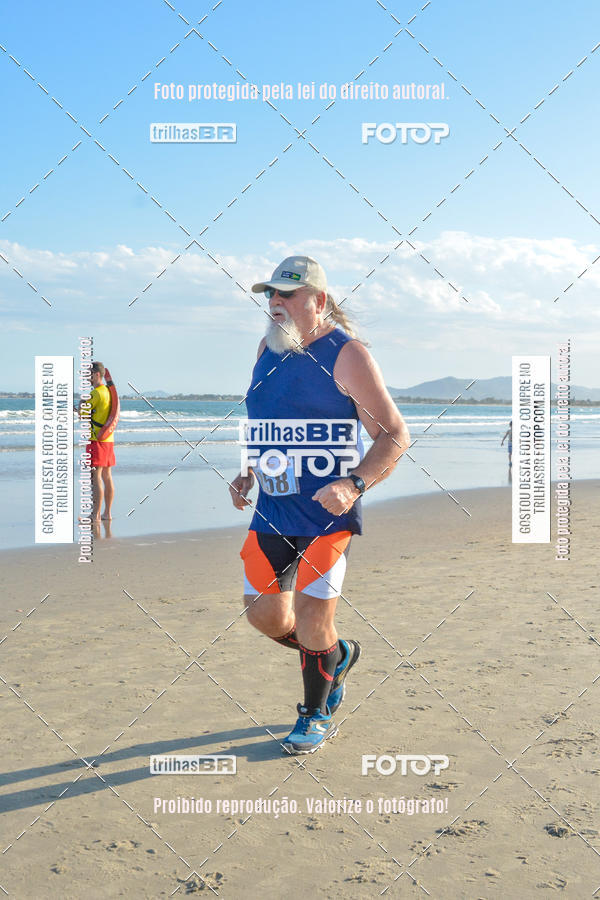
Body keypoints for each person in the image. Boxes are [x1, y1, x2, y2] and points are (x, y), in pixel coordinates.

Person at [229, 256, 410, 755]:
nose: (275, 303)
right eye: (270, 294)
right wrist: (248, 468)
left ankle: (314, 712)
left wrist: (352, 485)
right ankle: (337, 654)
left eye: (287, 295)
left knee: (311, 617)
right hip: (272, 509)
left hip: (326, 515)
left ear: (319, 301)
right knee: (264, 615)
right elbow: (266, 420)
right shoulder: (267, 349)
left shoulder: (345, 354)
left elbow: (394, 434)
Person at [81, 361, 116, 523]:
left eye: (88, 375)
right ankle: (107, 513)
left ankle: (94, 515)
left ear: (96, 375)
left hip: (96, 440)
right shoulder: (109, 392)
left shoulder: (95, 394)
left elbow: (83, 413)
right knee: (107, 476)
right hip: (109, 439)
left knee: (95, 477)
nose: (87, 378)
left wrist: (81, 404)